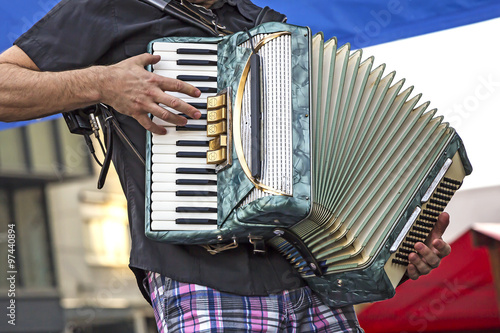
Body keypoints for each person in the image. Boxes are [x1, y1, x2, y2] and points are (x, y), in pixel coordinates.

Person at [0, 0, 452, 332]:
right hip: (202, 273)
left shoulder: (266, 28)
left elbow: (330, 172)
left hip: (308, 278)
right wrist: (103, 83)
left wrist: (397, 247)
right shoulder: (109, 10)